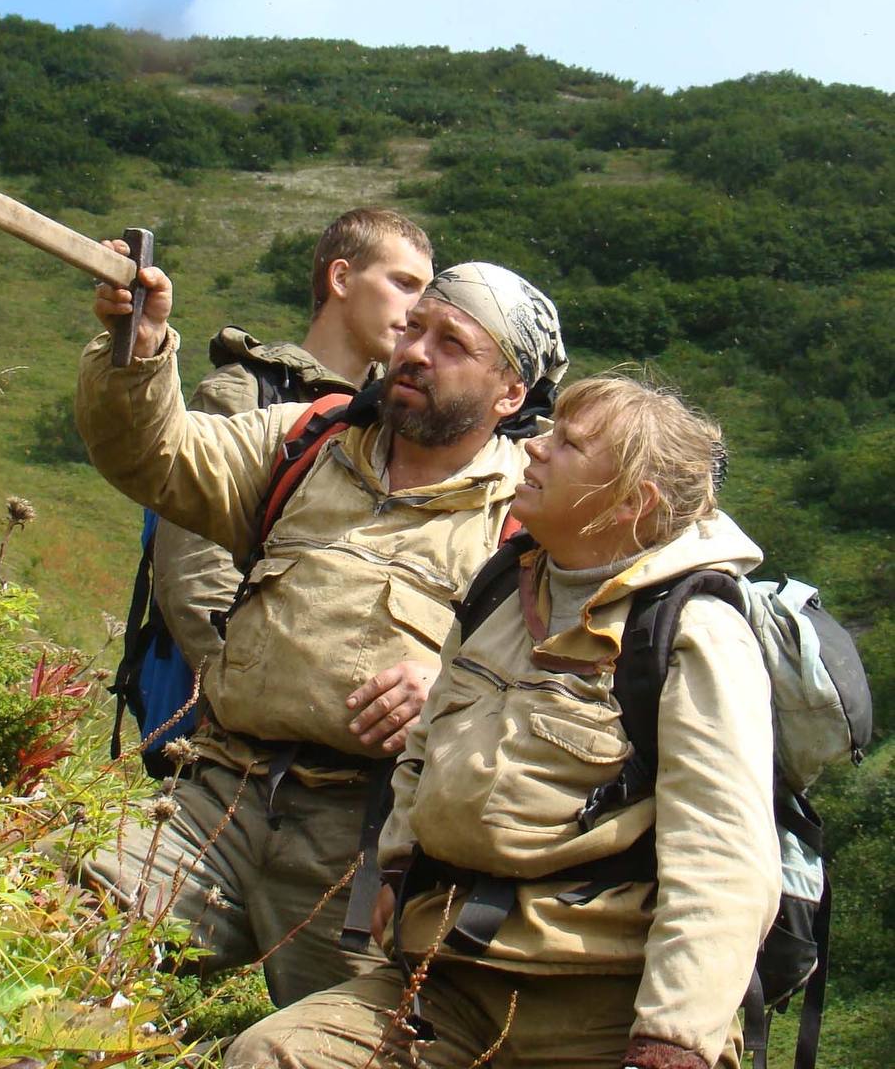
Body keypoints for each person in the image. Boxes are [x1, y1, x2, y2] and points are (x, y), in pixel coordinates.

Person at [226, 375, 780, 1069]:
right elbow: (425, 744)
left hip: (604, 1010)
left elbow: (725, 858)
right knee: (275, 1055)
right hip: (451, 982)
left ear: (633, 503)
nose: (535, 450)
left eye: (568, 444)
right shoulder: (503, 588)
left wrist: (671, 1043)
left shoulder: (692, 633)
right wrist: (397, 867)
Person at [72, 258, 567, 1006]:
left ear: (511, 392)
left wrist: (457, 686)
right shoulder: (305, 442)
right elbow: (155, 457)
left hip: (373, 850)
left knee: (362, 1048)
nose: (416, 352)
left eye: (453, 344)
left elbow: (573, 697)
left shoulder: (535, 521)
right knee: (40, 925)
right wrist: (139, 349)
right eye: (415, 328)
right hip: (215, 802)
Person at [153, 208, 434, 686]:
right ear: (341, 278)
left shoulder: (402, 418)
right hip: (242, 714)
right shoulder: (244, 394)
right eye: (404, 284)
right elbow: (196, 574)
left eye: (426, 293)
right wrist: (241, 697)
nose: (418, 310)